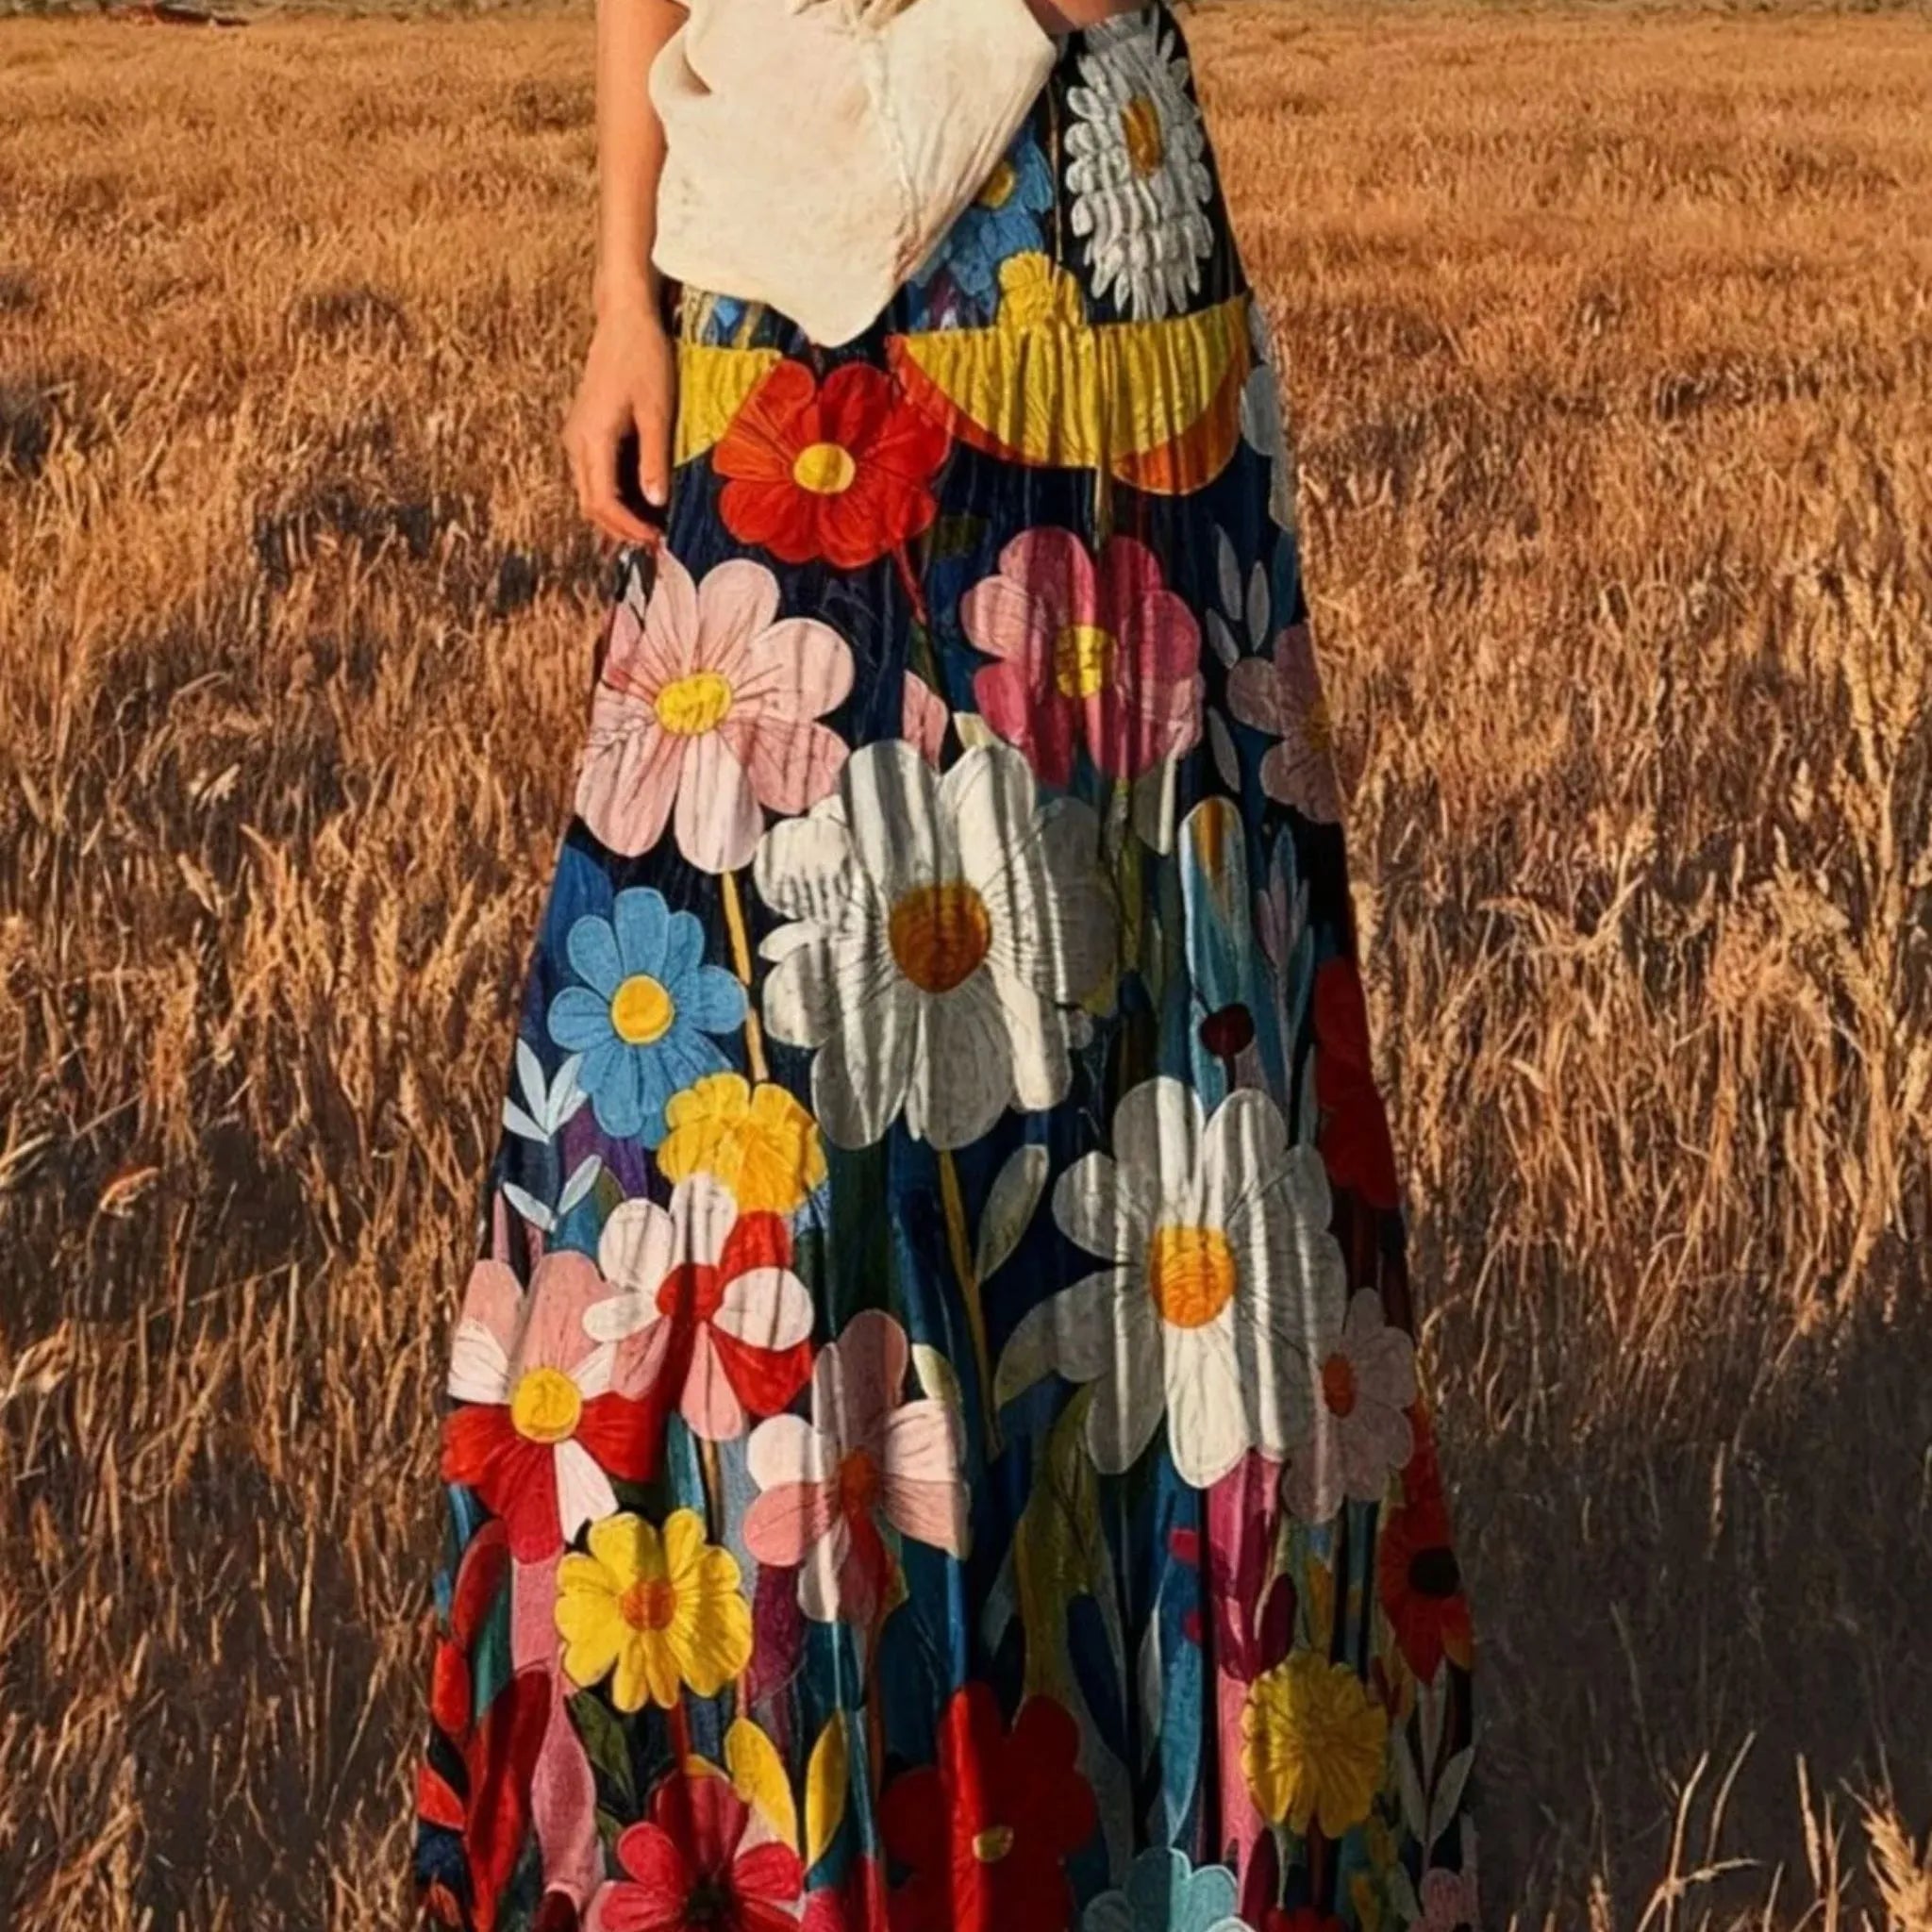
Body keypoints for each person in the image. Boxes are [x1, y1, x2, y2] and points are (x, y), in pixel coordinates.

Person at [413, 4, 1484, 1928]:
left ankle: (1147, 1840)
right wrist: (621, 291)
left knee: (1135, 1045)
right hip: (769, 261)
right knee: (735, 1075)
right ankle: (749, 1831)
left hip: (1086, 293)